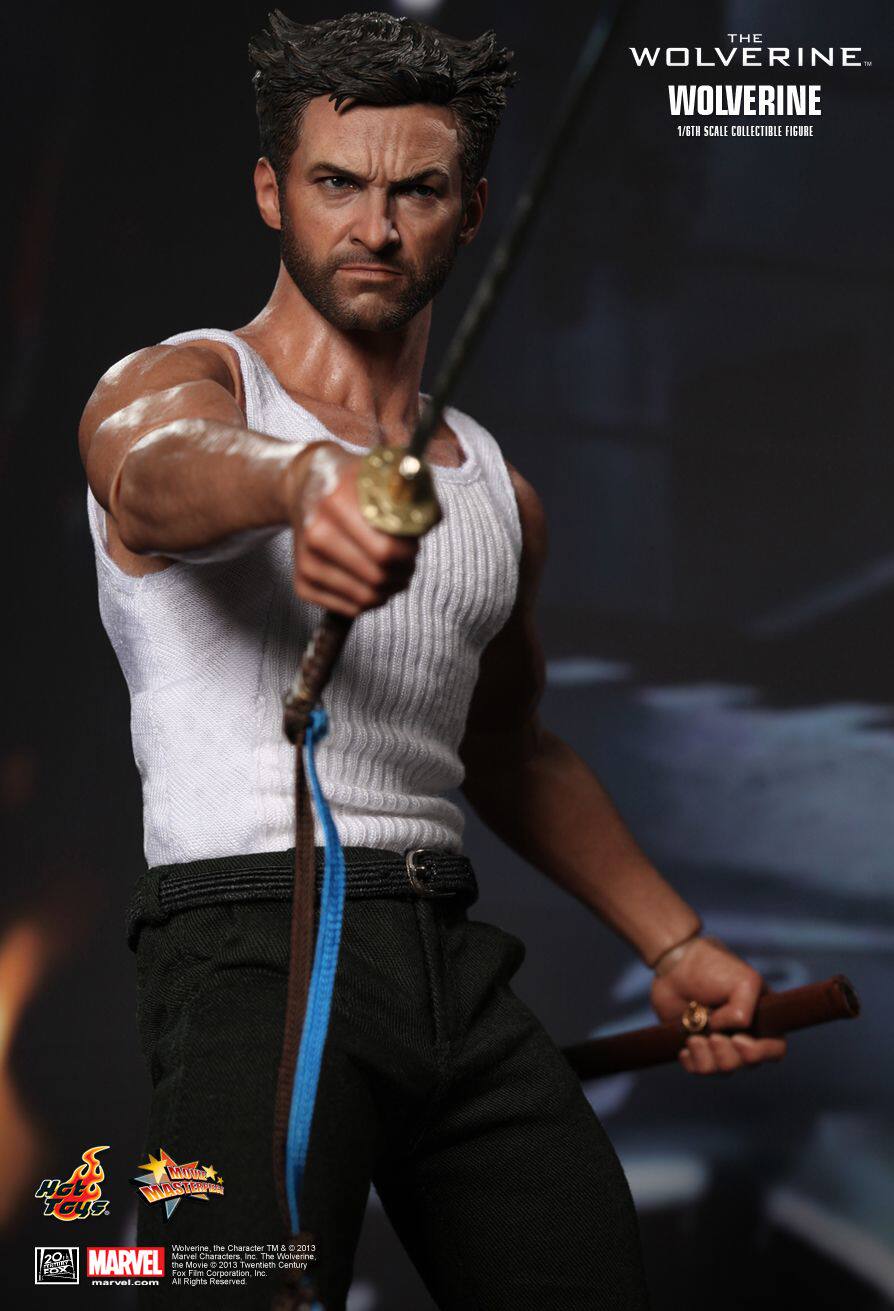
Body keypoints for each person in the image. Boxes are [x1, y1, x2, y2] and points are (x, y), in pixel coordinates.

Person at [79, 11, 786, 1310]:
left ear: (470, 213)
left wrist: (674, 941)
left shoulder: (497, 495)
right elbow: (151, 474)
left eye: (417, 190)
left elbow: (508, 748)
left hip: (447, 954)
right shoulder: (188, 386)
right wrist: (306, 484)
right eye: (336, 183)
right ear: (270, 191)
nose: (376, 227)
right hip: (256, 941)